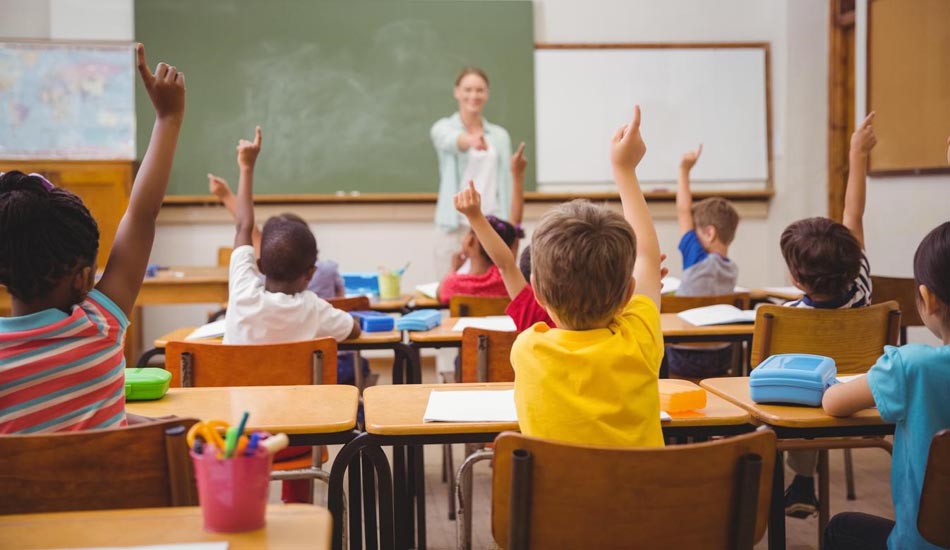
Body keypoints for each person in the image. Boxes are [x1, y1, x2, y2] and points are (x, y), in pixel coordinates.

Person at [0, 44, 185, 433]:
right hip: (119, 497)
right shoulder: (99, 326)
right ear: (83, 279)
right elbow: (142, 214)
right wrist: (168, 118)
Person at [510, 105, 664, 447]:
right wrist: (624, 170)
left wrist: (622, 166)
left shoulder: (527, 349)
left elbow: (646, 262)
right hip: (645, 501)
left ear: (536, 290)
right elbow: (649, 259)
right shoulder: (639, 339)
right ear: (627, 295)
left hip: (557, 503)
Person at [822, 221, 950, 550]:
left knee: (840, 528)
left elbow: (833, 402)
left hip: (922, 545)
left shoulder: (911, 367)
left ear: (927, 298)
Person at [781, 112, 877, 517]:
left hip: (804, 408)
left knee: (794, 397)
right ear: (854, 263)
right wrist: (857, 154)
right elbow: (853, 213)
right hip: (863, 392)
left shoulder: (785, 315)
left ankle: (801, 481)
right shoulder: (863, 288)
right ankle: (802, 483)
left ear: (797, 280)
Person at [222, 125, 359, 345]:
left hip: (237, 382)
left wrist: (246, 168)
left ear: (261, 266)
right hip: (296, 381)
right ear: (310, 274)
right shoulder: (313, 309)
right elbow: (354, 330)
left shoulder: (242, 293)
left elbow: (243, 228)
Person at [430, 67, 518, 276]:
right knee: (450, 289)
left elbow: (506, 182)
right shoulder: (443, 128)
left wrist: (511, 225)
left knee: (493, 289)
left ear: (487, 94)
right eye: (467, 89)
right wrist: (470, 140)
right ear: (457, 92)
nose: (473, 95)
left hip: (492, 224)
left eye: (480, 90)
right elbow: (450, 140)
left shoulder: (500, 136)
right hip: (455, 225)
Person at [667, 144, 741, 379]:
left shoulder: (697, 259)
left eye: (696, 232)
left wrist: (684, 171)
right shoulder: (731, 270)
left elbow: (683, 211)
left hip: (684, 354)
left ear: (709, 233)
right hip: (721, 354)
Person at [208, 175, 344, 298]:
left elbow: (247, 229)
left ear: (261, 264)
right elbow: (341, 303)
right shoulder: (327, 272)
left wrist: (226, 194)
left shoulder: (254, 288)